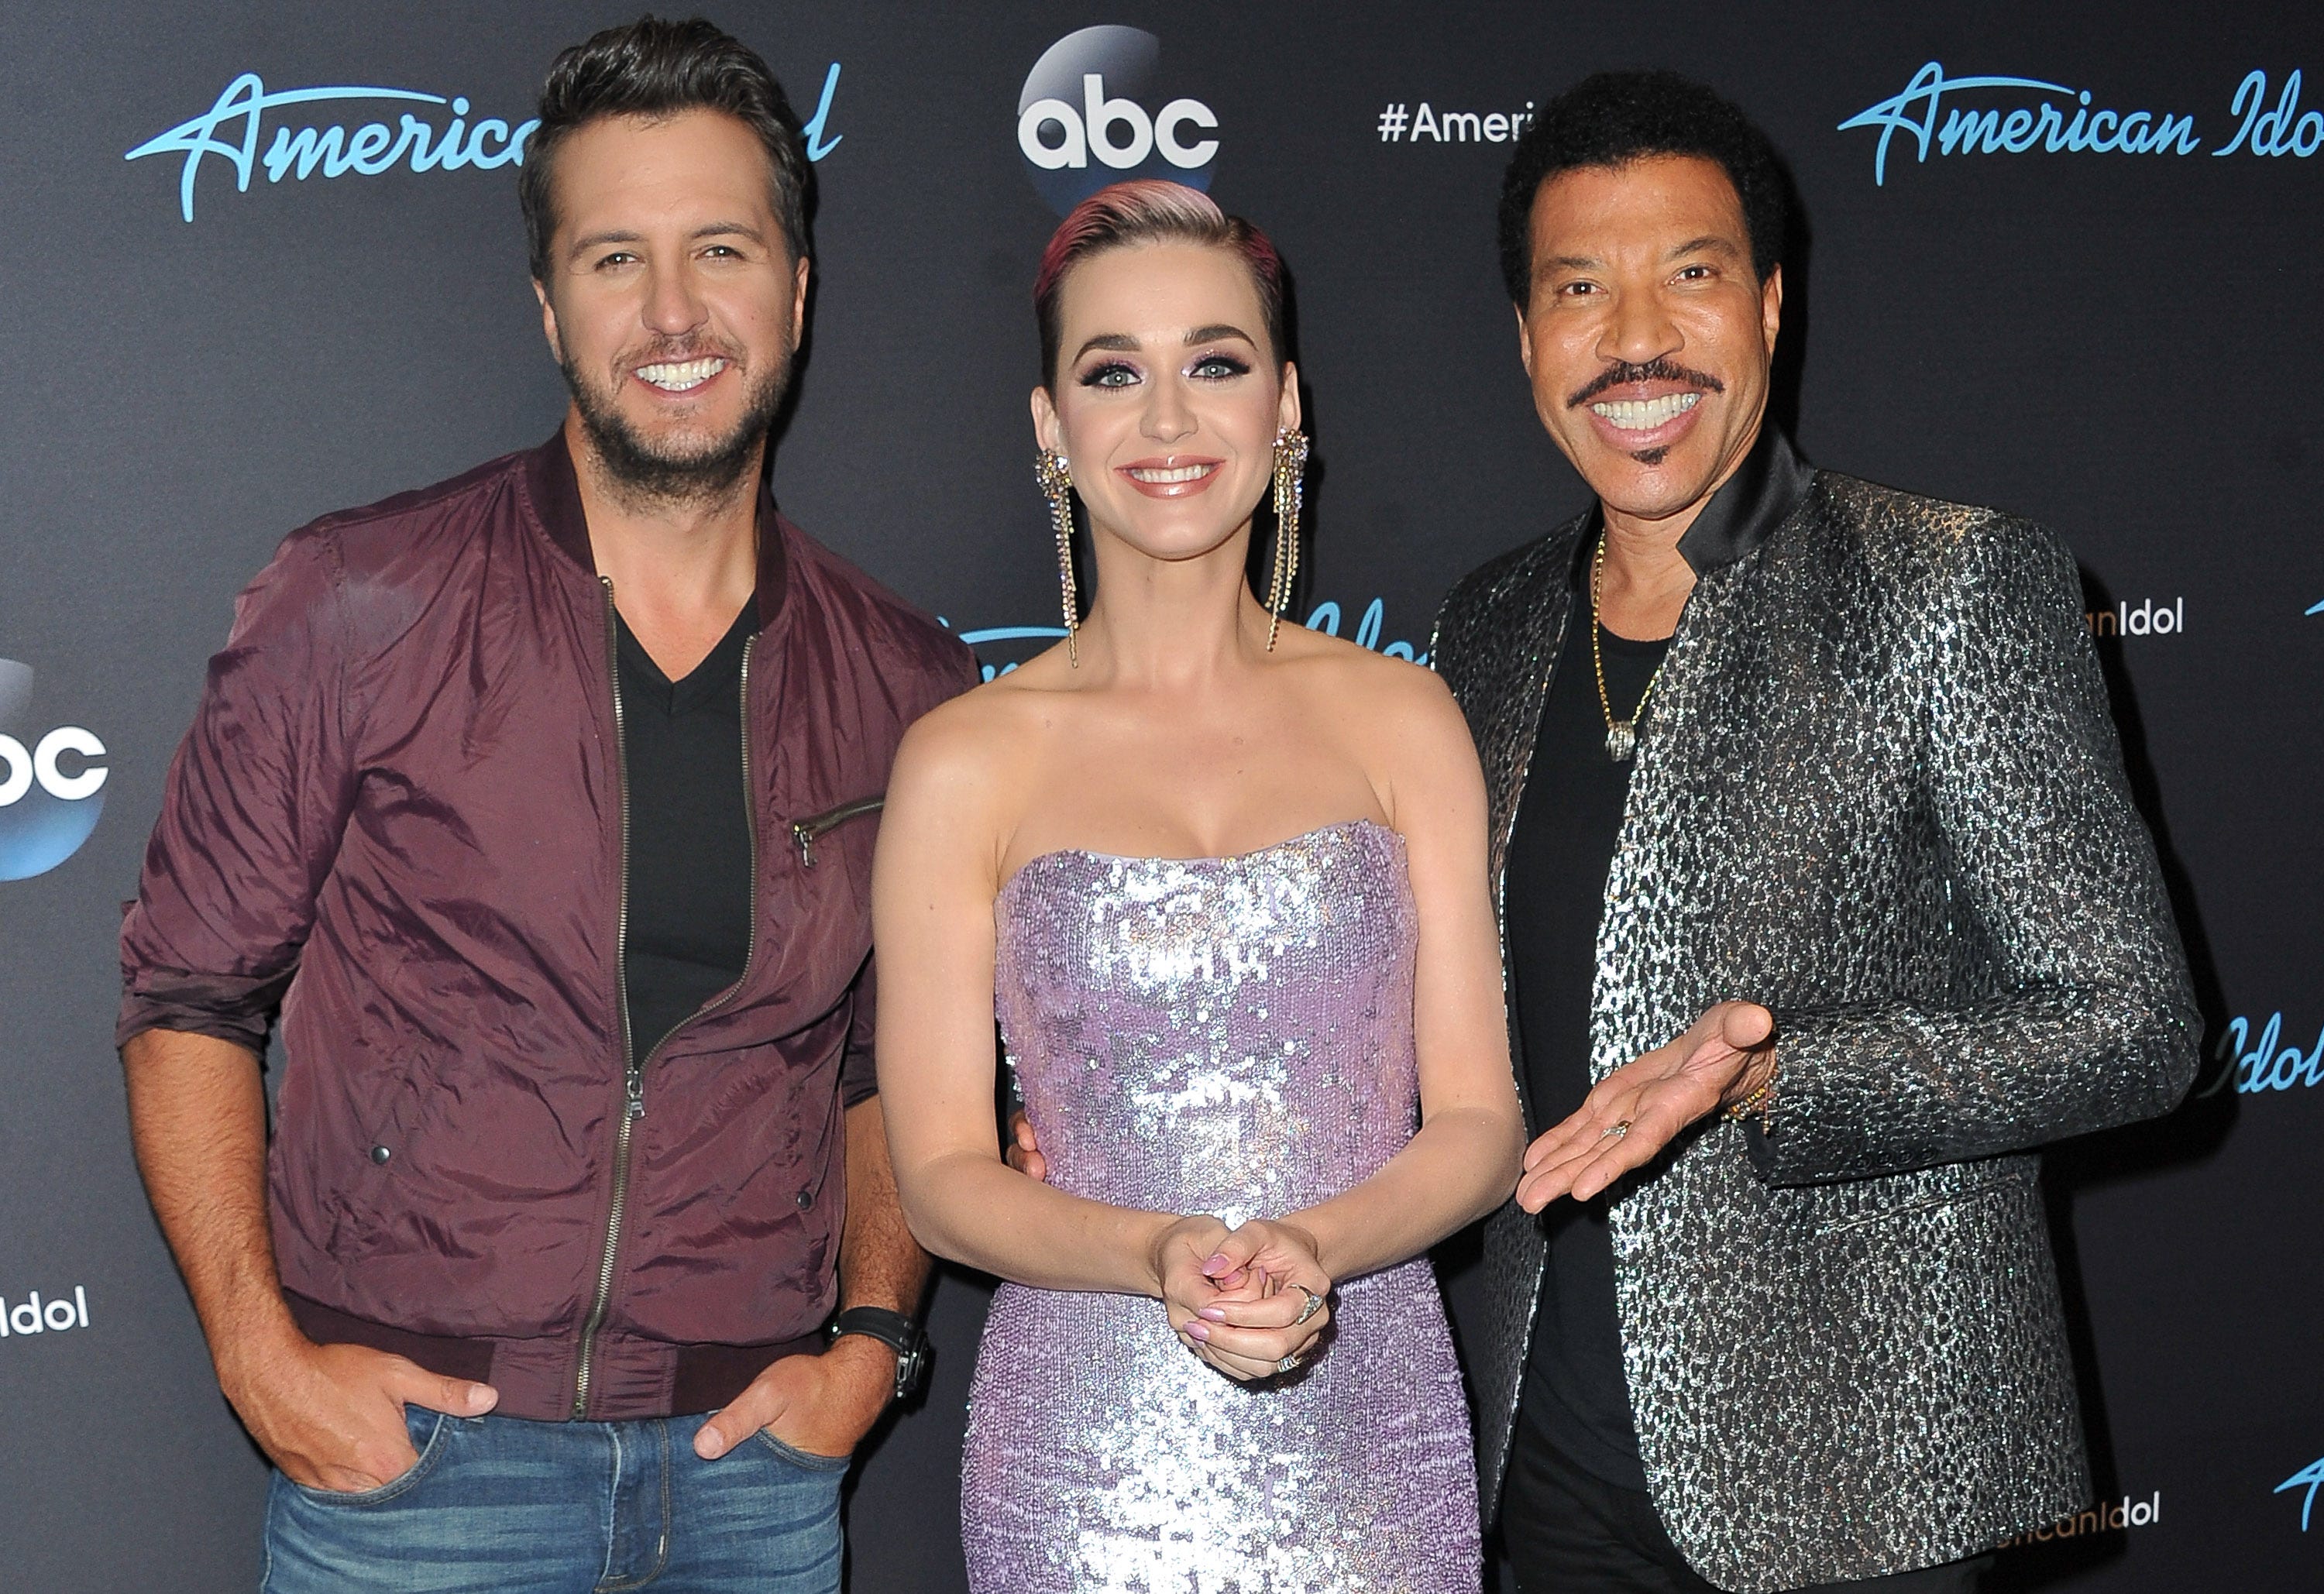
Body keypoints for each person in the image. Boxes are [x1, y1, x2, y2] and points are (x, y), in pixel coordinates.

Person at [115, 18, 972, 1592]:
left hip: (753, 1480)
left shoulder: (910, 680)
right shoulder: (358, 600)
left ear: (795, 287)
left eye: (719, 248)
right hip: (416, 1470)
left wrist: (869, 1347)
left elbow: (888, 1073)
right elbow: (188, 996)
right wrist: (256, 1351)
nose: (671, 313)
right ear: (547, 304)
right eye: (611, 259)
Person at [1427, 71, 2202, 1594]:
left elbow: (2139, 1030)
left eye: (1691, 276)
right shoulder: (1492, 624)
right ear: (1526, 341)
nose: (1636, 337)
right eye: (1580, 290)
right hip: (1551, 1453)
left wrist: (1788, 1076)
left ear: (1773, 308)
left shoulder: (1949, 587)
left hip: (1860, 1481)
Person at [872, 180, 1525, 1592]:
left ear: (1285, 405)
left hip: (1374, 1430)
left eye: (1214, 364)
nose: (1167, 422)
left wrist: (1316, 1245)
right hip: (1083, 1464)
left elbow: (1478, 1121)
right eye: (1114, 372)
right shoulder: (960, 762)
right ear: (1051, 427)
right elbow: (937, 1179)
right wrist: (1156, 1247)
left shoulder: (1404, 720)